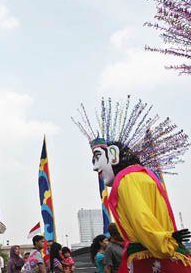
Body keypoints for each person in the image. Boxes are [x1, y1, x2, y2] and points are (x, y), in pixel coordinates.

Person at [74, 96, 191, 272]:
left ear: (113, 155)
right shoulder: (143, 176)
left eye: (97, 158)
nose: (95, 167)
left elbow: (141, 218)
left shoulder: (127, 180)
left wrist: (164, 241)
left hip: (151, 257)